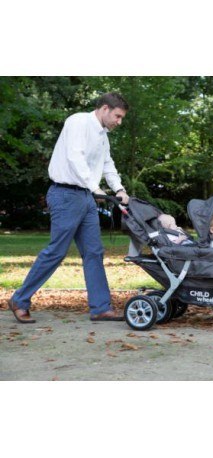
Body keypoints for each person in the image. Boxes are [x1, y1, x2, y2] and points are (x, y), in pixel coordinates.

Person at [8, 92, 130, 323]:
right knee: (57, 251)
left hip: (86, 197)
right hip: (65, 195)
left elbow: (107, 164)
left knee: (94, 251)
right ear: (105, 109)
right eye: (118, 116)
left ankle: (100, 308)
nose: (119, 122)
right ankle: (20, 300)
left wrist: (119, 189)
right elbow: (75, 158)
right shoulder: (78, 122)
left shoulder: (103, 136)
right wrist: (96, 188)